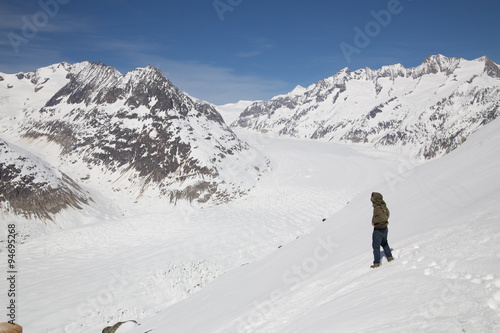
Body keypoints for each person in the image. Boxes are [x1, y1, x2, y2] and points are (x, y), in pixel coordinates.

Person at [370, 192, 394, 268]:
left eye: (372, 197)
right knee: (384, 243)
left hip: (378, 230)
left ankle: (376, 263)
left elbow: (382, 218)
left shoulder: (377, 207)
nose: (371, 199)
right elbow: (387, 215)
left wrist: (374, 222)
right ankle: (389, 257)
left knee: (376, 246)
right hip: (385, 228)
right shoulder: (383, 205)